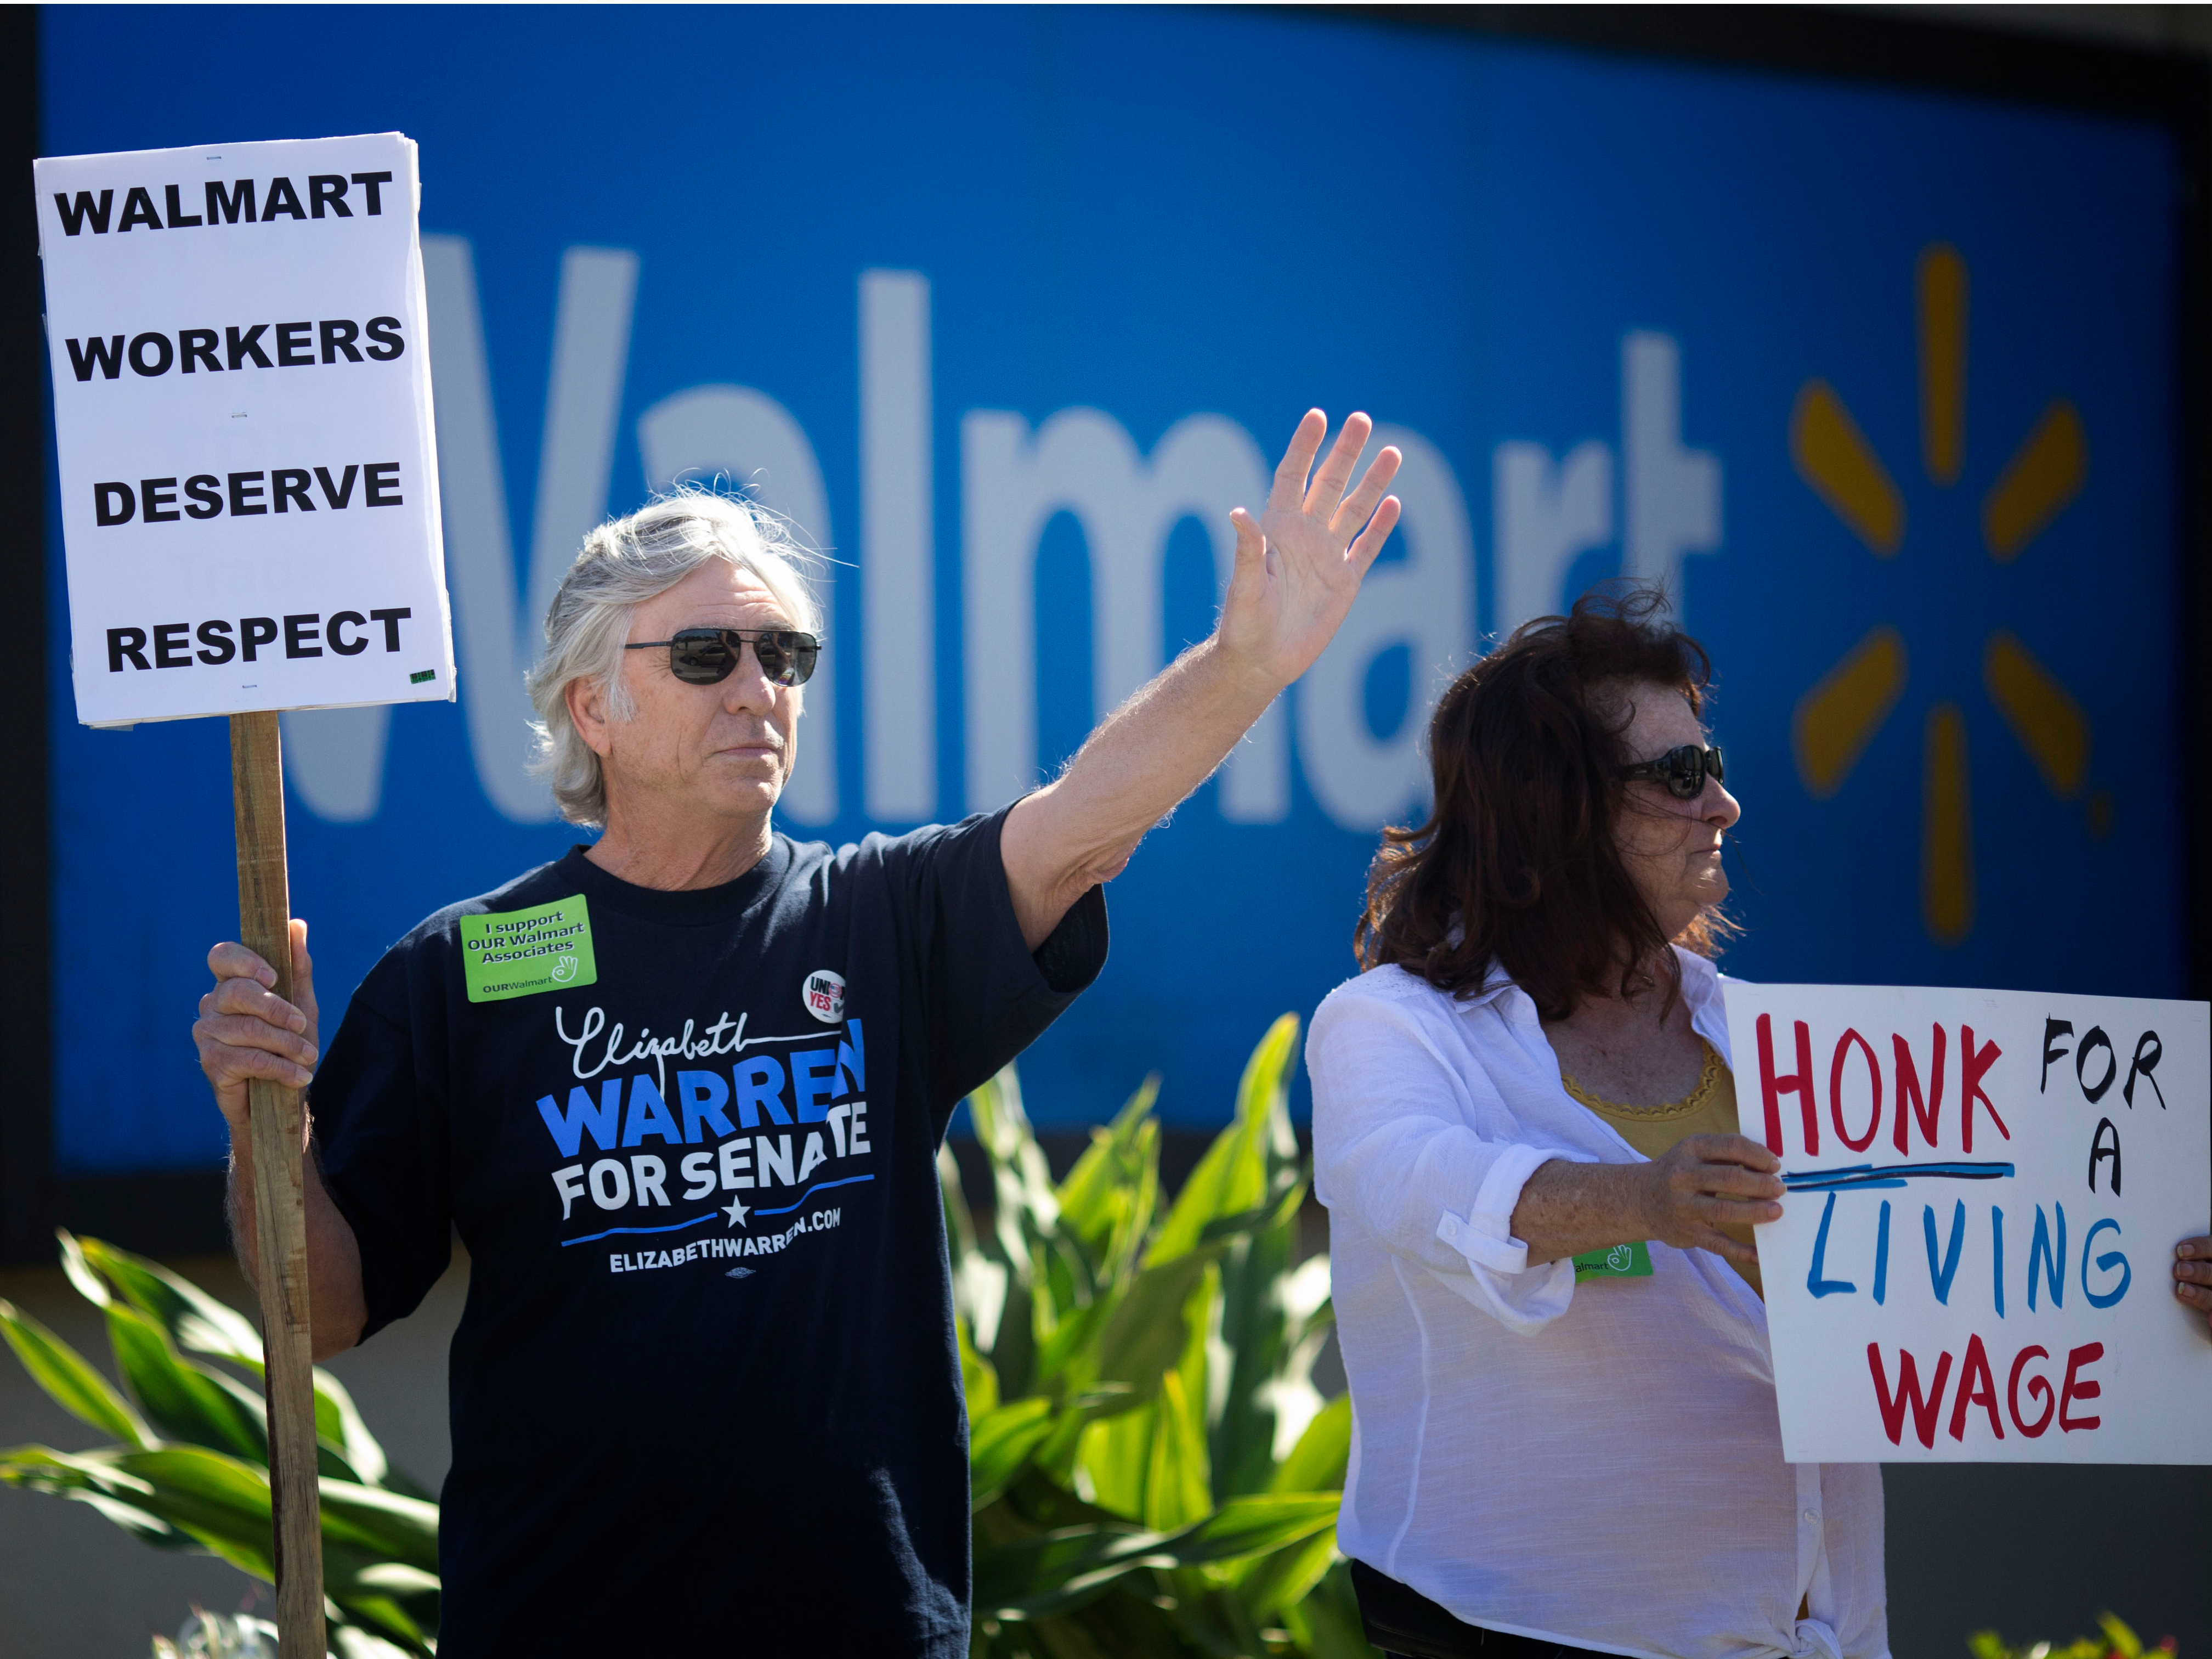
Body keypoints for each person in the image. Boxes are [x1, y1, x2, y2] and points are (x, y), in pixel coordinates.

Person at [192, 410, 1403, 1655]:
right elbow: (319, 1313)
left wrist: (1248, 662)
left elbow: (1086, 823)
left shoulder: (879, 919)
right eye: (709, 654)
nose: (760, 688)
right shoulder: (461, 973)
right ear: (592, 704)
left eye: (788, 654)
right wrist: (261, 1125)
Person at [1306, 589, 1882, 1659]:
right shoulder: (1388, 1031)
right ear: (1554, 812)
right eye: (1680, 776)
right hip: (1503, 1633)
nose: (1726, 806)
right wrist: (1647, 1201)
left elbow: (1966, 1281)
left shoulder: (1777, 1043)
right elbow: (1427, 1187)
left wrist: (2147, 1298)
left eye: (1711, 763)